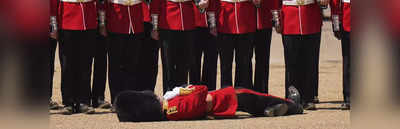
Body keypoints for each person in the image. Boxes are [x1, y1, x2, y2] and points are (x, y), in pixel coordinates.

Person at [114, 85, 303, 122]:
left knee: (254, 101)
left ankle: (270, 110)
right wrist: (188, 89)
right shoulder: (171, 109)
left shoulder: (167, 107)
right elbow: (197, 102)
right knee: (254, 96)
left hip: (221, 101)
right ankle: (293, 105)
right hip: (223, 101)